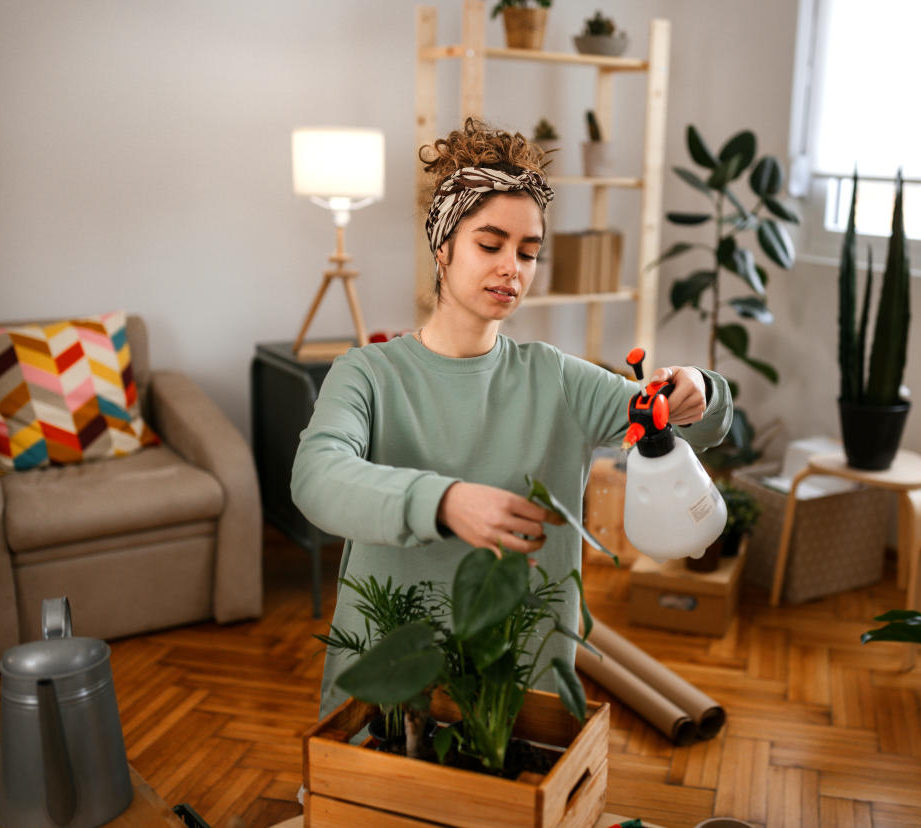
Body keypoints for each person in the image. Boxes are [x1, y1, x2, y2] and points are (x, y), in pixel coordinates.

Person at [291, 118, 734, 717]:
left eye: (529, 252)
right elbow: (316, 478)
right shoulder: (367, 374)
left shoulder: (555, 378)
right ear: (443, 248)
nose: (513, 268)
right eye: (490, 244)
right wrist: (445, 503)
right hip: (387, 673)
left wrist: (699, 391)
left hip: (517, 683)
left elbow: (682, 423)